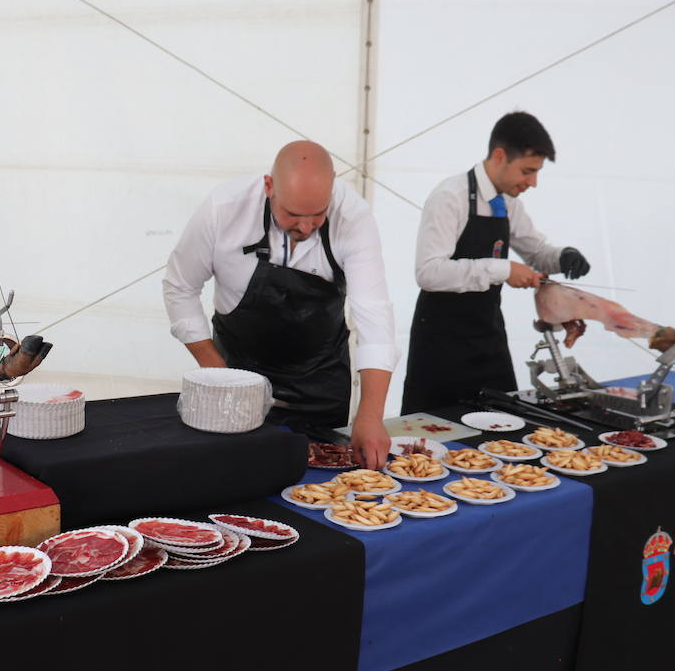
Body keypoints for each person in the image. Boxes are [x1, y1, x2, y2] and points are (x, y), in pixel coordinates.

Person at [163, 141, 398, 468]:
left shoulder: (352, 215)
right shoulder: (225, 207)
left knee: (319, 485)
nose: (304, 227)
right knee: (231, 474)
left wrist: (371, 415)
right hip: (236, 369)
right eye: (293, 215)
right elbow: (180, 286)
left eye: (317, 215)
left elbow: (374, 317)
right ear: (269, 186)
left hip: (321, 380)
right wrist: (220, 375)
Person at [401, 111, 590, 413]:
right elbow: (429, 272)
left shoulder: (509, 202)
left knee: (504, 431)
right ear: (500, 156)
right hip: (441, 343)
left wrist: (562, 256)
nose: (534, 182)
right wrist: (502, 269)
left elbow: (536, 251)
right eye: (528, 171)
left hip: (488, 336)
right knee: (433, 435)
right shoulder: (450, 197)